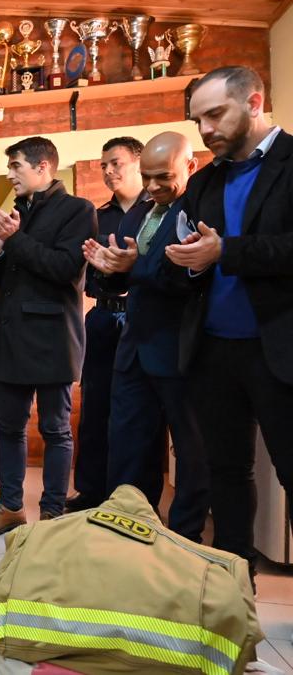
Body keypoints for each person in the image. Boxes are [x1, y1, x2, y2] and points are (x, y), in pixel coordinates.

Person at [163, 65, 293, 570]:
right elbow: (189, 256)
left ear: (255, 102)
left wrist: (226, 252)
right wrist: (186, 262)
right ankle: (237, 587)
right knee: (227, 472)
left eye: (215, 114)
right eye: (199, 120)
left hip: (278, 348)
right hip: (214, 351)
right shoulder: (205, 181)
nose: (206, 129)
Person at [83, 131, 209, 542]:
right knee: (127, 443)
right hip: (133, 347)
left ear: (189, 166)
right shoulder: (139, 214)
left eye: (164, 177)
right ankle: (130, 528)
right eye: (149, 177)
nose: (154, 187)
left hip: (179, 350)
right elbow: (126, 281)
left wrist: (130, 269)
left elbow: (181, 276)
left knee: (190, 453)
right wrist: (109, 271)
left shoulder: (200, 210)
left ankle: (185, 538)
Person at [0, 137, 97, 536]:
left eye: (16, 166)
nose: (9, 175)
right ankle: (10, 507)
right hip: (10, 338)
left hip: (53, 338)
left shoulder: (78, 210)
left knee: (56, 429)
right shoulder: (16, 213)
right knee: (8, 427)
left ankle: (53, 514)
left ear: (43, 168)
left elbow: (63, 268)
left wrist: (13, 240)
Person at [67, 136, 149, 513]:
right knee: (95, 408)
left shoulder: (158, 210)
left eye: (115, 163)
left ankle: (133, 499)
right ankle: (91, 491)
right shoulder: (100, 215)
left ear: (138, 161)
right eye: (103, 165)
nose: (108, 171)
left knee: (138, 412)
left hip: (142, 316)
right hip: (102, 315)